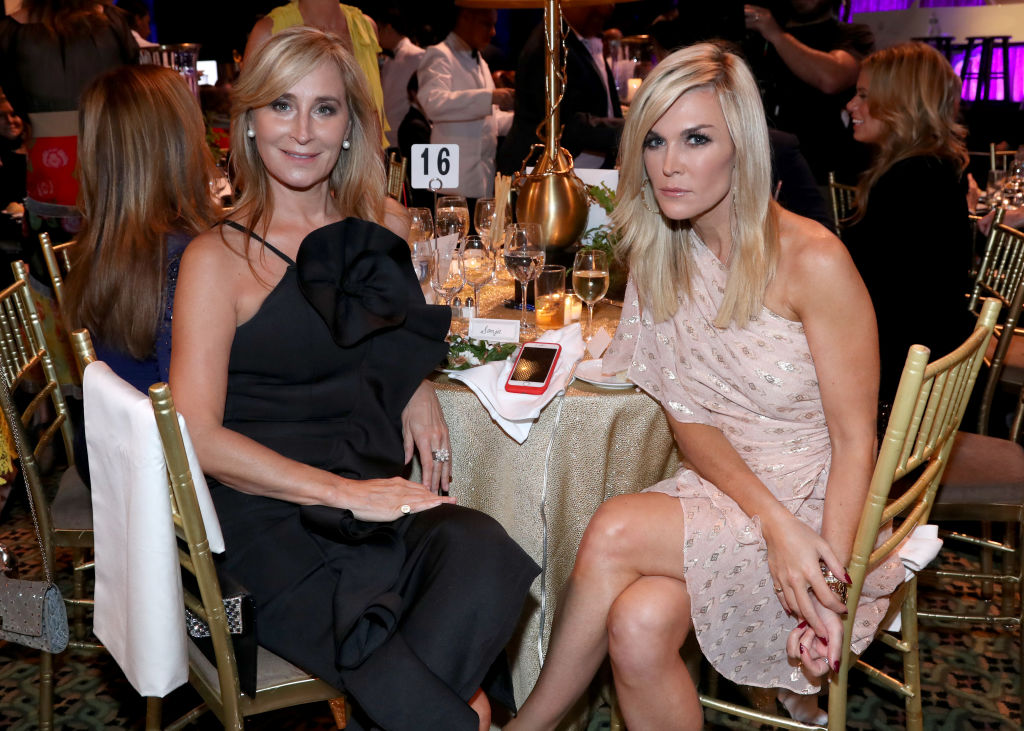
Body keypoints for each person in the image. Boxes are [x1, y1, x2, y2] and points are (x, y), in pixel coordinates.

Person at [505, 42, 903, 730]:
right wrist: (768, 520)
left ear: (741, 146)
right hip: (734, 493)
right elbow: (688, 416)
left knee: (612, 528)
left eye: (696, 139)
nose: (669, 164)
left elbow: (853, 441)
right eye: (654, 140)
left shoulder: (814, 260)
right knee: (637, 623)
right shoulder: (663, 250)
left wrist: (827, 587)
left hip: (821, 505)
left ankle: (526, 727)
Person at [170, 28, 538, 731]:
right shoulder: (216, 259)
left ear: (350, 129)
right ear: (248, 123)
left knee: (485, 550)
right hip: (266, 516)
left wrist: (415, 384)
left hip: (369, 495)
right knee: (461, 701)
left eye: (325, 108)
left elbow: (377, 337)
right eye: (281, 105)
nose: (302, 131)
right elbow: (199, 437)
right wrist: (345, 493)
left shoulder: (382, 228)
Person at [61, 64, 218, 481]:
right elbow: (195, 428)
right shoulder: (185, 260)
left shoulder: (101, 247)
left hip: (107, 458)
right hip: (161, 477)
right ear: (180, 142)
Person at [843, 42, 975, 407]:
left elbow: (872, 294)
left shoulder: (908, 181)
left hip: (900, 381)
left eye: (864, 95)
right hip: (926, 363)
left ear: (899, 104)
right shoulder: (933, 168)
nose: (851, 105)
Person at [0, 0, 138, 215]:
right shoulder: (112, 21)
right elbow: (133, 85)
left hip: (48, 161)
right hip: (112, 157)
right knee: (119, 224)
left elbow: (15, 96)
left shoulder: (12, 30)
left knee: (52, 232)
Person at [744, 0, 873, 183]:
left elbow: (832, 79)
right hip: (761, 166)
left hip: (823, 172)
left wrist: (776, 35)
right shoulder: (757, 36)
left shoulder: (851, 34)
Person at [497, 3, 622, 175]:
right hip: (539, 172)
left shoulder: (579, 38)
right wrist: (624, 129)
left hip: (580, 169)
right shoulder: (548, 46)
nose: (608, 8)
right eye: (596, 10)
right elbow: (563, 122)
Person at [243, 0, 387, 140]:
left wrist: (376, 156)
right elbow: (242, 118)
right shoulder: (269, 31)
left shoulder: (364, 28)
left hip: (361, 155)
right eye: (283, 106)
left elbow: (373, 115)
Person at [417, 7, 513, 200]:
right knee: (443, 219)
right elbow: (432, 102)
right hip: (444, 173)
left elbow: (490, 120)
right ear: (465, 18)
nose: (493, 32)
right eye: (487, 24)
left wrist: (527, 119)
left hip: (478, 177)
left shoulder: (481, 62)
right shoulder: (439, 53)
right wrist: (490, 97)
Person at [375, 6, 424, 149]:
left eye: (379, 30)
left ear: (388, 28)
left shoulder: (418, 55)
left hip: (408, 135)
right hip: (387, 137)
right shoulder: (388, 60)